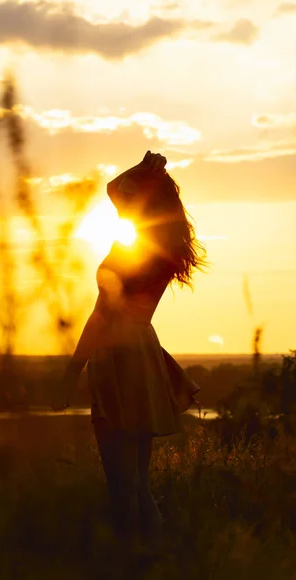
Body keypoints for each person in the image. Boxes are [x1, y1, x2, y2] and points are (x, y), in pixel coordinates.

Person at [51, 150, 208, 556]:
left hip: (119, 355)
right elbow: (114, 190)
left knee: (123, 484)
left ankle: (131, 564)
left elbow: (99, 317)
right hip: (144, 348)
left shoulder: (127, 251)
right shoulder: (164, 250)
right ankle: (155, 562)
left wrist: (72, 373)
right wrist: (147, 173)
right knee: (138, 480)